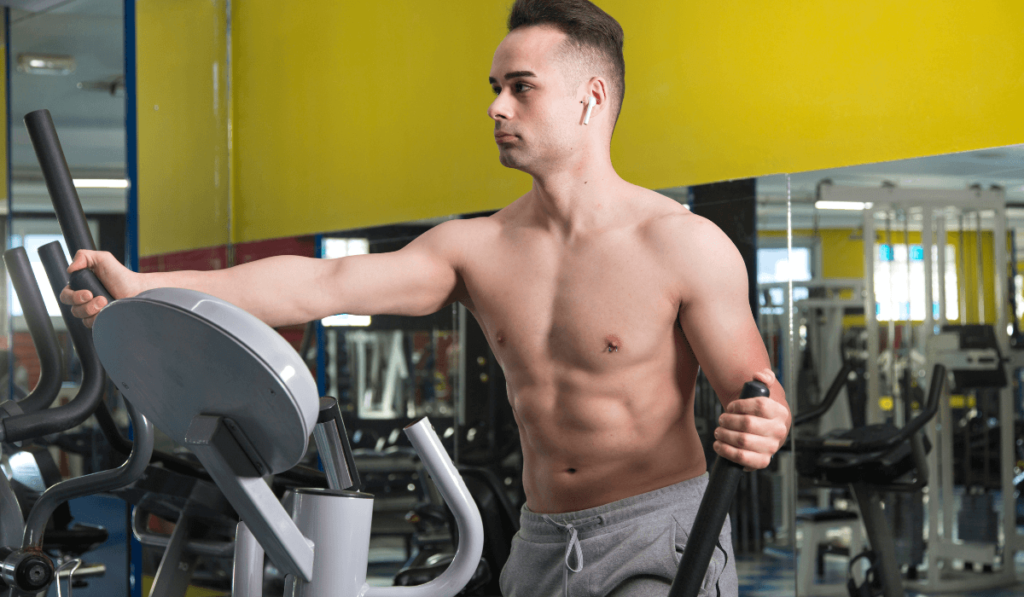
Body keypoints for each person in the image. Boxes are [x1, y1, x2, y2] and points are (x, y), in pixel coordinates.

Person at [63, 1, 790, 595]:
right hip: (541, 538)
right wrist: (144, 287)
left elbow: (756, 393)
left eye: (521, 87)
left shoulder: (682, 243)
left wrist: (762, 422)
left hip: (655, 532)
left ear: (590, 98)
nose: (496, 107)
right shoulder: (478, 248)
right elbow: (322, 284)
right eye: (494, 87)